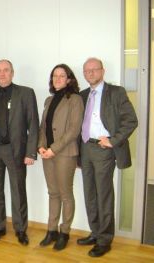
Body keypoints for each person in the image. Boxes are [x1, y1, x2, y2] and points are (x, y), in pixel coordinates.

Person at [78, 58, 138, 257]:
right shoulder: (82, 95)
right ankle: (95, 232)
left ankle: (104, 239)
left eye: (94, 70)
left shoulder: (116, 92)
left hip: (104, 149)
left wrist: (113, 140)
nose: (91, 73)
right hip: (85, 148)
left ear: (103, 71)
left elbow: (131, 120)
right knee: (90, 194)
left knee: (103, 195)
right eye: (87, 71)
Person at [0, 59, 39, 246]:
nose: (2, 74)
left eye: (6, 70)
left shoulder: (26, 93)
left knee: (18, 191)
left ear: (12, 72)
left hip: (16, 151)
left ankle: (20, 229)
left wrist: (31, 152)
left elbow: (33, 125)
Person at [38, 64, 84, 250]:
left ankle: (64, 232)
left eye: (61, 75)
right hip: (47, 153)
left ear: (69, 79)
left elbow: (73, 130)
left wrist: (54, 149)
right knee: (53, 193)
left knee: (65, 194)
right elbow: (43, 127)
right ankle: (51, 230)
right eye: (54, 76)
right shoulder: (49, 100)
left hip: (64, 153)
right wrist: (41, 146)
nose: (57, 79)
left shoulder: (75, 99)